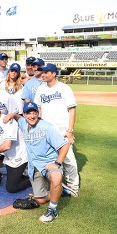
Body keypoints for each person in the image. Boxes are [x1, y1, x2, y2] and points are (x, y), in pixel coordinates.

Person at [15, 102, 70, 223]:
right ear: (24, 115)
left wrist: (57, 163)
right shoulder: (23, 123)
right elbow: (17, 117)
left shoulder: (46, 127)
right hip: (34, 167)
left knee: (56, 176)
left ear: (38, 113)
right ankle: (59, 189)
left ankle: (52, 210)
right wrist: (10, 115)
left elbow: (65, 145)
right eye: (28, 113)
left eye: (34, 112)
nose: (32, 116)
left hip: (49, 164)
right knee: (39, 199)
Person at [34, 63, 79, 196]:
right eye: (43, 72)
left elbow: (72, 110)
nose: (44, 74)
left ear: (54, 74)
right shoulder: (41, 89)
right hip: (46, 130)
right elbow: (39, 110)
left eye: (47, 72)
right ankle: (54, 183)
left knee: (68, 159)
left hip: (61, 129)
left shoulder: (64, 88)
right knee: (49, 158)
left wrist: (70, 131)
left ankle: (73, 186)